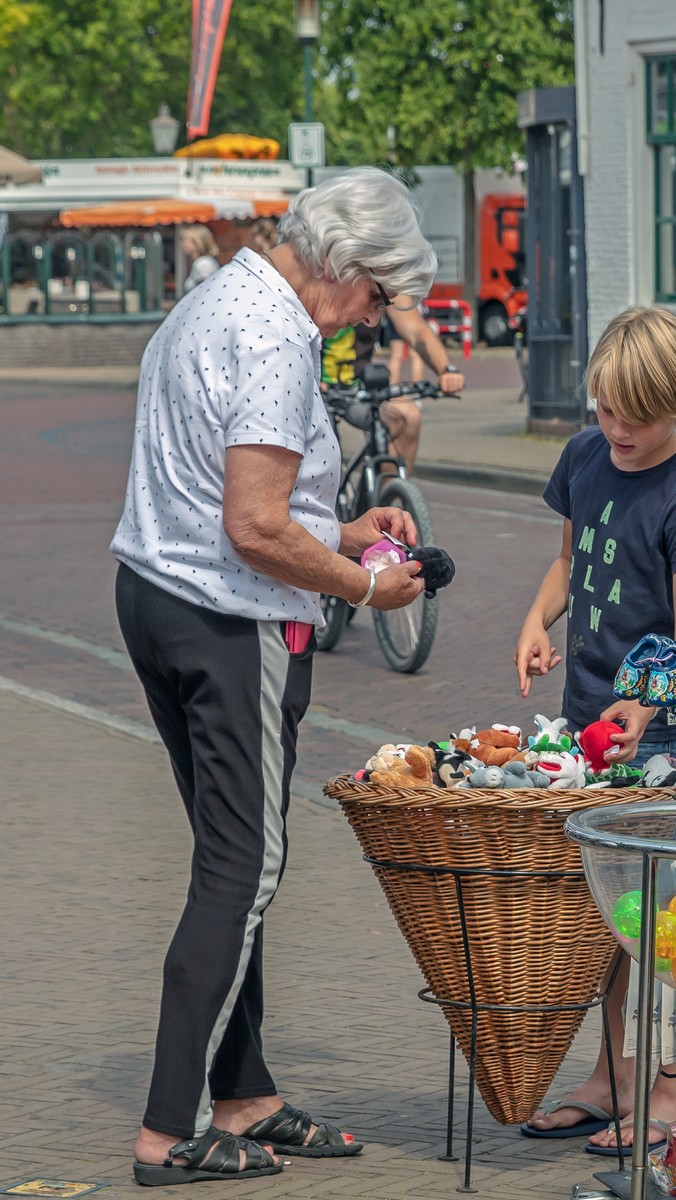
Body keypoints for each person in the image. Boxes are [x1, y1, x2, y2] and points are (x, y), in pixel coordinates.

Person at [112, 167, 436, 1187]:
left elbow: (239, 488)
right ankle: (171, 1128)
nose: (370, 319)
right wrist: (359, 584)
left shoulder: (210, 300)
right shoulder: (276, 335)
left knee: (227, 854)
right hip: (228, 617)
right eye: (378, 296)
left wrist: (339, 526)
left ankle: (243, 1090)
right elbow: (251, 528)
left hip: (156, 591)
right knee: (243, 869)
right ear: (345, 265)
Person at [512, 306, 676, 1152]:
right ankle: (611, 1079)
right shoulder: (583, 456)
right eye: (603, 411)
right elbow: (571, 559)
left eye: (632, 418)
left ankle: (668, 1092)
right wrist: (537, 620)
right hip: (587, 726)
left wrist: (646, 705)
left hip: (661, 738)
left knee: (661, 921)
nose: (615, 430)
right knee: (605, 919)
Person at [321, 303, 464, 473]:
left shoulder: (379, 278)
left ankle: (388, 495)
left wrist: (445, 369)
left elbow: (415, 329)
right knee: (321, 449)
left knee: (408, 415)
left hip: (359, 388)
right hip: (312, 387)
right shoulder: (316, 279)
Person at [177, 224, 220, 295]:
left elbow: (206, 293)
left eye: (185, 240)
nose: (182, 244)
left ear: (197, 242)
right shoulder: (201, 262)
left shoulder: (203, 264)